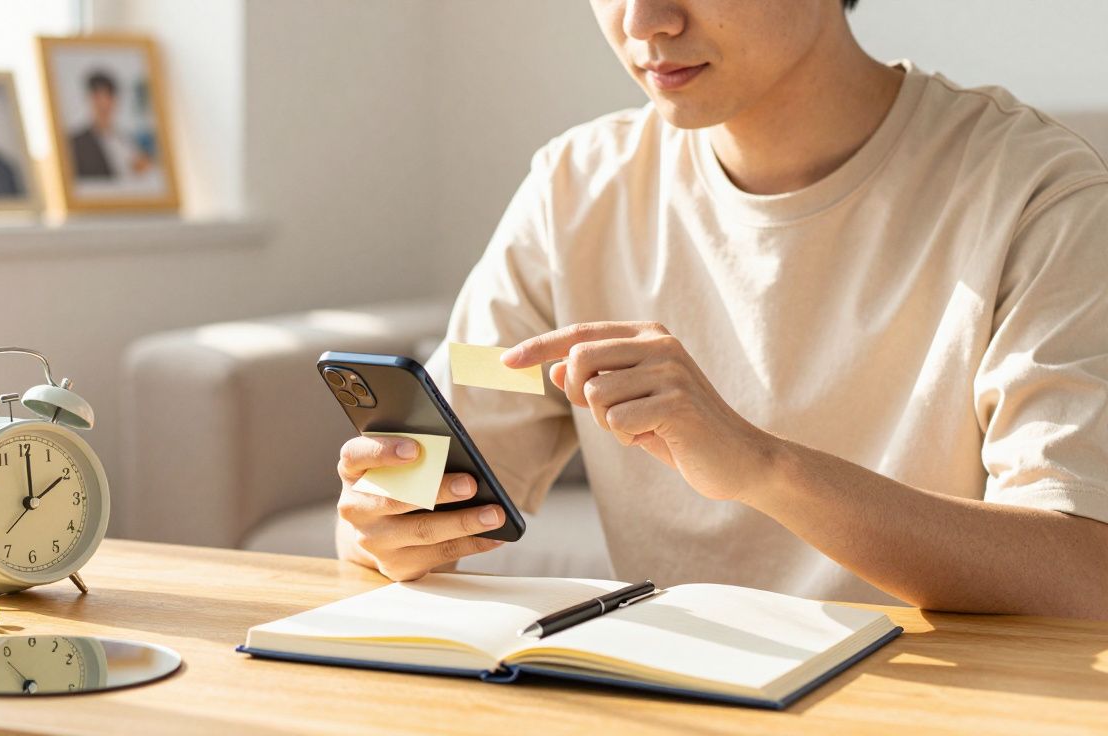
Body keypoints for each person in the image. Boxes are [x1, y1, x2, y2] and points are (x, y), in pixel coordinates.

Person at [334, 0, 1108, 617]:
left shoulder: (1037, 196)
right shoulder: (574, 193)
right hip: (675, 699)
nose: (643, 22)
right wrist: (383, 524)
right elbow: (466, 419)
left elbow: (1081, 569)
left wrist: (762, 466)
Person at [69, 70, 153, 180]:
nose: (103, 104)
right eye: (98, 97)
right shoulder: (76, 143)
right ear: (89, 99)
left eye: (108, 97)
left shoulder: (128, 141)